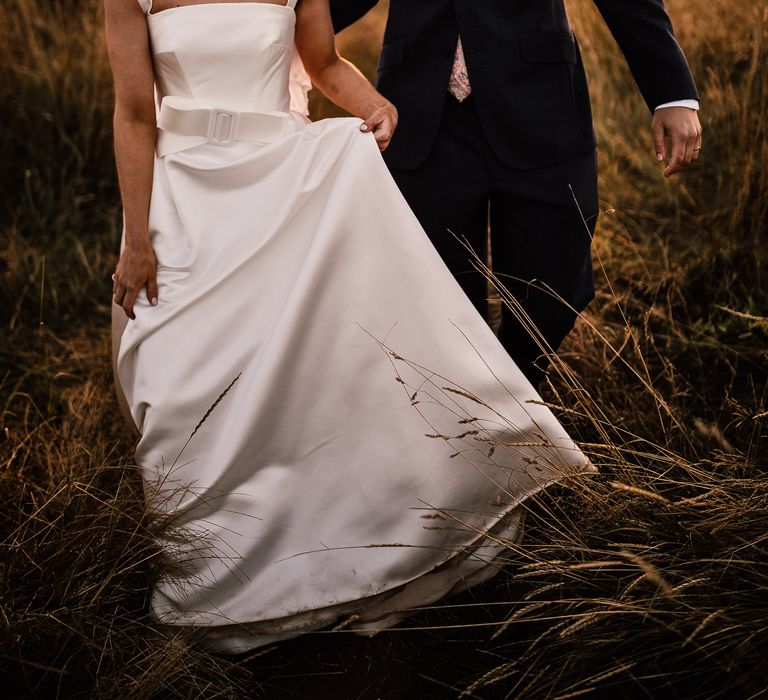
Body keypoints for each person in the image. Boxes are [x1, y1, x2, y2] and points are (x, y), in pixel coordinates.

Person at [107, 0, 593, 654]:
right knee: (177, 375)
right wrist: (136, 239)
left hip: (280, 186)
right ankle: (213, 562)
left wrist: (375, 103)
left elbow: (325, 63)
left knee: (304, 371)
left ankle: (335, 537)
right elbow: (135, 113)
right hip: (187, 199)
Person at [330, 0, 703, 384]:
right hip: (418, 113)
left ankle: (516, 395)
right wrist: (275, 21)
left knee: (553, 291)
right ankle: (461, 413)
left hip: (540, 102)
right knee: (431, 295)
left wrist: (671, 92)